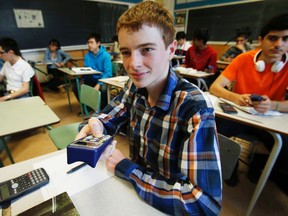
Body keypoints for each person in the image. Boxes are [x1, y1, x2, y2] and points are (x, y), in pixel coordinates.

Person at [75, 1, 222, 215]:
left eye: (146, 50)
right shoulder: (134, 86)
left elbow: (204, 205)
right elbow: (109, 117)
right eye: (126, 52)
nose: (133, 64)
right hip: (135, 194)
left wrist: (128, 169)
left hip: (168, 202)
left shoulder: (194, 106)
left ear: (171, 49)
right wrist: (95, 125)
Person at [210, 13, 288, 190]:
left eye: (285, 39)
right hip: (240, 115)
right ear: (261, 40)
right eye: (273, 38)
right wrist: (236, 97)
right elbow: (215, 87)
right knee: (213, 129)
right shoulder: (243, 59)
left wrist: (273, 105)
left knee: (284, 149)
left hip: (270, 120)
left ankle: (259, 166)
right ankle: (231, 165)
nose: (279, 44)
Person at [73, 33, 112, 110]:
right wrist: (81, 77)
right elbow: (87, 70)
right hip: (91, 78)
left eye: (91, 42)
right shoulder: (87, 56)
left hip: (103, 79)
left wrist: (99, 84)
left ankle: (103, 110)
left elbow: (108, 73)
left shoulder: (105, 55)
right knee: (76, 86)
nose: (89, 45)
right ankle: (87, 108)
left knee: (103, 89)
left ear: (98, 43)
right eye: (88, 43)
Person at [0, 37, 34, 101]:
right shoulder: (6, 64)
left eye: (1, 53)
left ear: (11, 52)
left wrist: (5, 98)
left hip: (21, 96)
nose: (0, 55)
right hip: (8, 94)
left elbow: (25, 89)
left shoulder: (25, 66)